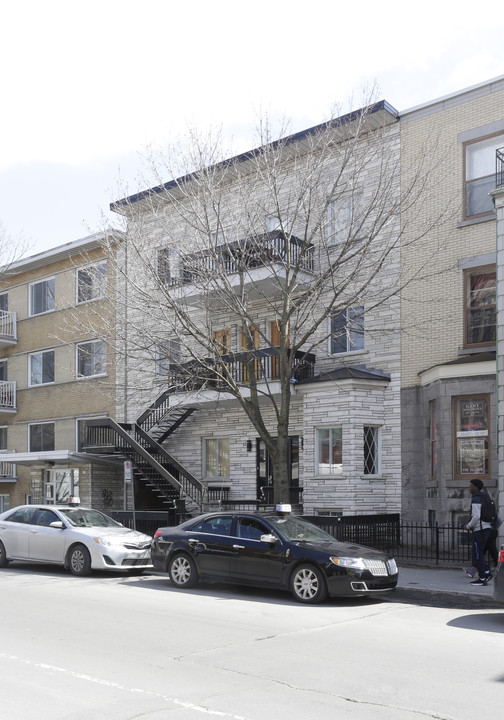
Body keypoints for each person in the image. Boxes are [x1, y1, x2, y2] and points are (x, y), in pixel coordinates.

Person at [464, 478, 493, 586]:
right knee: (479, 553)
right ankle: (486, 572)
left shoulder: (476, 499)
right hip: (487, 528)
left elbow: (476, 516)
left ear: (476, 487)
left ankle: (482, 578)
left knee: (477, 554)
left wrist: (468, 526)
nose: (469, 488)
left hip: (479, 530)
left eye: (471, 486)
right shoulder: (485, 496)